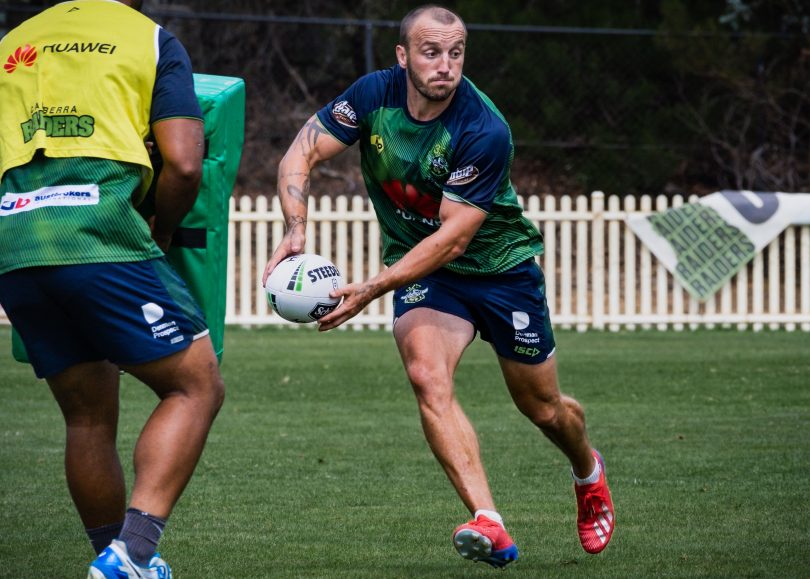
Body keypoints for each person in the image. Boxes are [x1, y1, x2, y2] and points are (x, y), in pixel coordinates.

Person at [262, 4, 615, 568]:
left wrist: (372, 287)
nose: (445, 65)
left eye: (455, 53)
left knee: (544, 409)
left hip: (500, 269)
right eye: (431, 52)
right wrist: (295, 230)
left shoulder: (483, 128)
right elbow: (302, 150)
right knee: (427, 376)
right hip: (427, 273)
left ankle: (588, 471)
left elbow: (453, 239)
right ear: (403, 57)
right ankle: (489, 521)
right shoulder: (374, 96)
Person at [0, 1, 225, 577]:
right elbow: (183, 163)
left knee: (87, 417)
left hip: (17, 242)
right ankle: (134, 550)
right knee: (196, 386)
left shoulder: (13, 42)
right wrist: (164, 228)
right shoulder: (148, 38)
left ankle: (115, 560)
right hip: (99, 235)